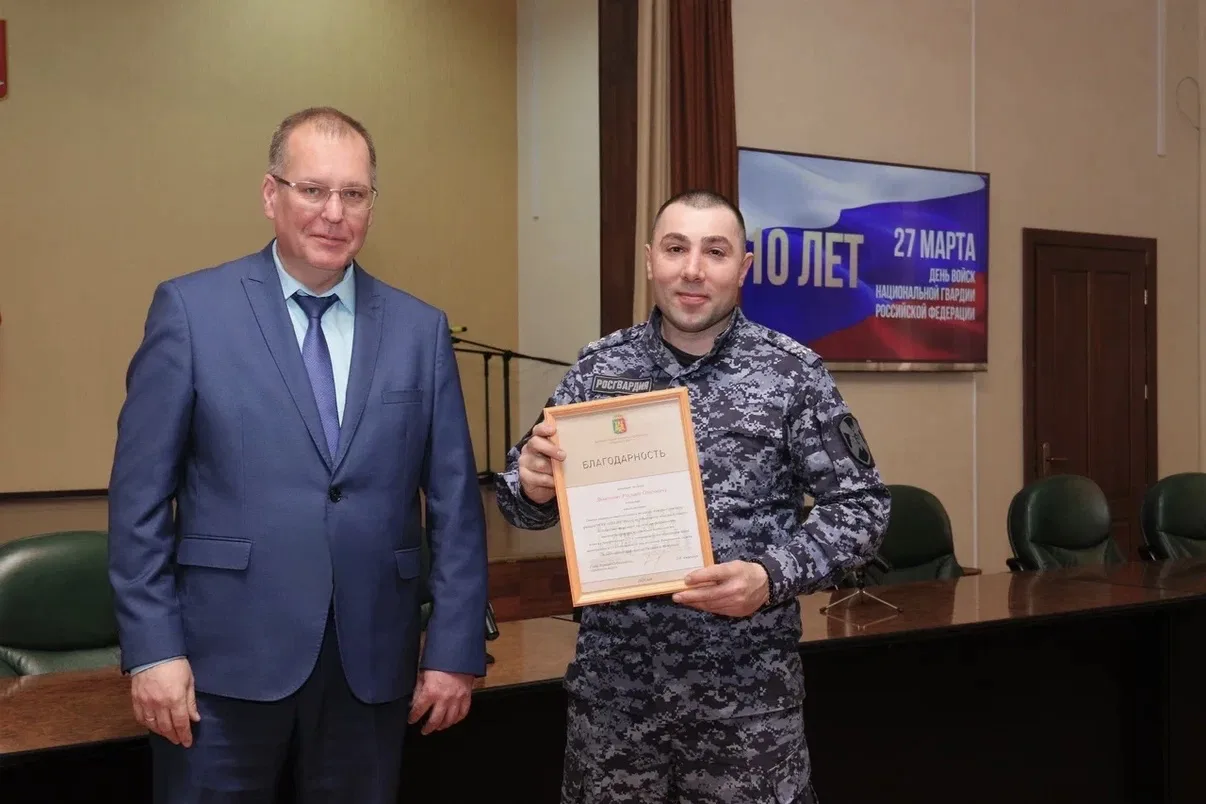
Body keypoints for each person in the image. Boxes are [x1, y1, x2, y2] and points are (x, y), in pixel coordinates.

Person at [107, 106, 489, 803]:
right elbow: (139, 502)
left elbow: (457, 507)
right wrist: (154, 649)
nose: (333, 213)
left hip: (371, 666)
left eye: (354, 194)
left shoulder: (420, 330)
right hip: (220, 667)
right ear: (270, 194)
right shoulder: (191, 312)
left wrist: (455, 649)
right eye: (313, 190)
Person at [495, 190, 891, 803]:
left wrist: (771, 575)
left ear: (744, 267)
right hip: (616, 709)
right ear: (650, 259)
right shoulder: (598, 372)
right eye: (676, 248)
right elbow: (520, 499)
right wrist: (531, 483)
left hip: (748, 710)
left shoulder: (792, 375)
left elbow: (863, 508)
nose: (693, 270)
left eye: (716, 251)